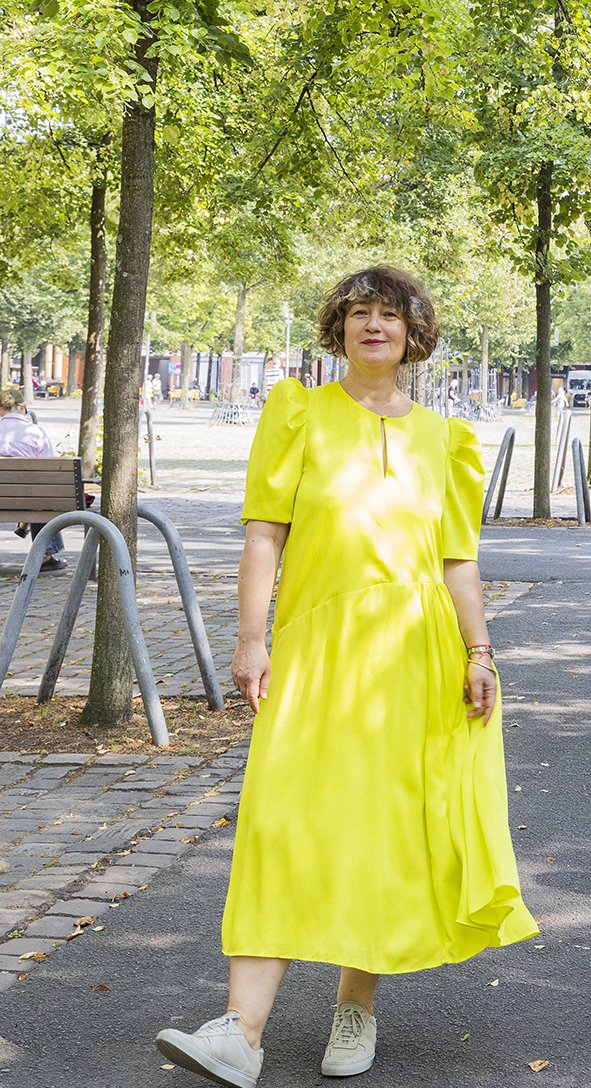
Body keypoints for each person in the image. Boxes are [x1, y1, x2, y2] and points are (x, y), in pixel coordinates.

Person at [155, 266, 536, 1088]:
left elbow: (459, 561)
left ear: (412, 333)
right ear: (339, 327)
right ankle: (240, 1032)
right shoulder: (299, 413)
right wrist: (250, 640)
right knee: (280, 822)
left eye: (389, 314)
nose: (373, 325)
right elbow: (265, 535)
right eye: (359, 312)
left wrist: (479, 653)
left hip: (415, 656)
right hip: (314, 651)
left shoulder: (444, 438)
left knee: (383, 829)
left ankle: (355, 1006)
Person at [0, 390, 67, 572]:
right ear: (23, 407)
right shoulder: (35, 431)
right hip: (30, 497)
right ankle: (45, 555)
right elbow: (48, 470)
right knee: (41, 493)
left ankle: (26, 523)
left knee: (37, 493)